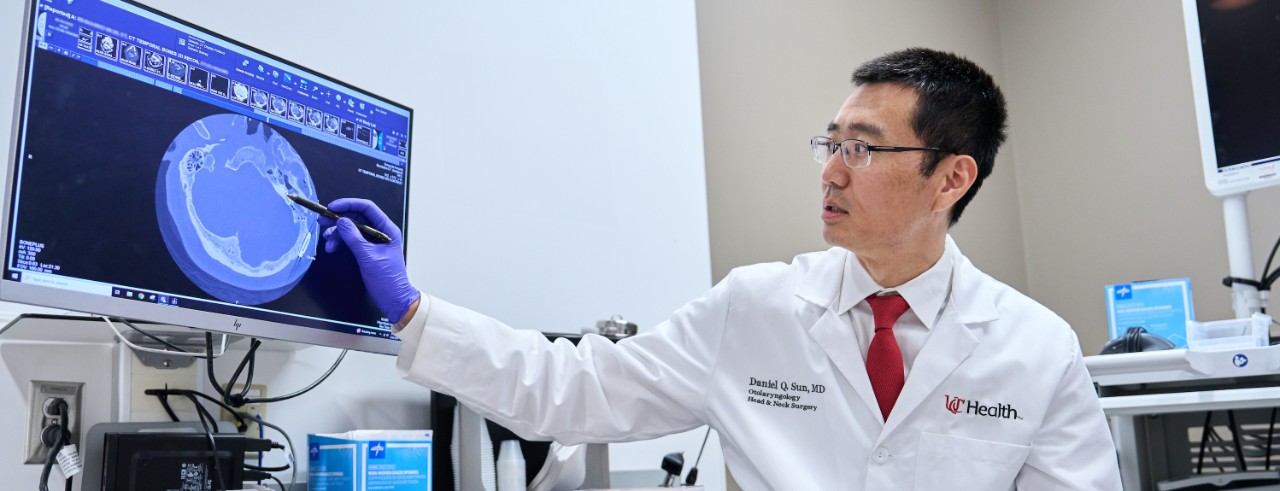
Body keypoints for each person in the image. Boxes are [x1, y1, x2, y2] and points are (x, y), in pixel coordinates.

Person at [319, 47, 1122, 490]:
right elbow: (573, 388)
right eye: (831, 142)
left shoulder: (1036, 348)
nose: (830, 170)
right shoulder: (756, 306)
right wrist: (413, 311)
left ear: (951, 179)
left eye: (862, 148)